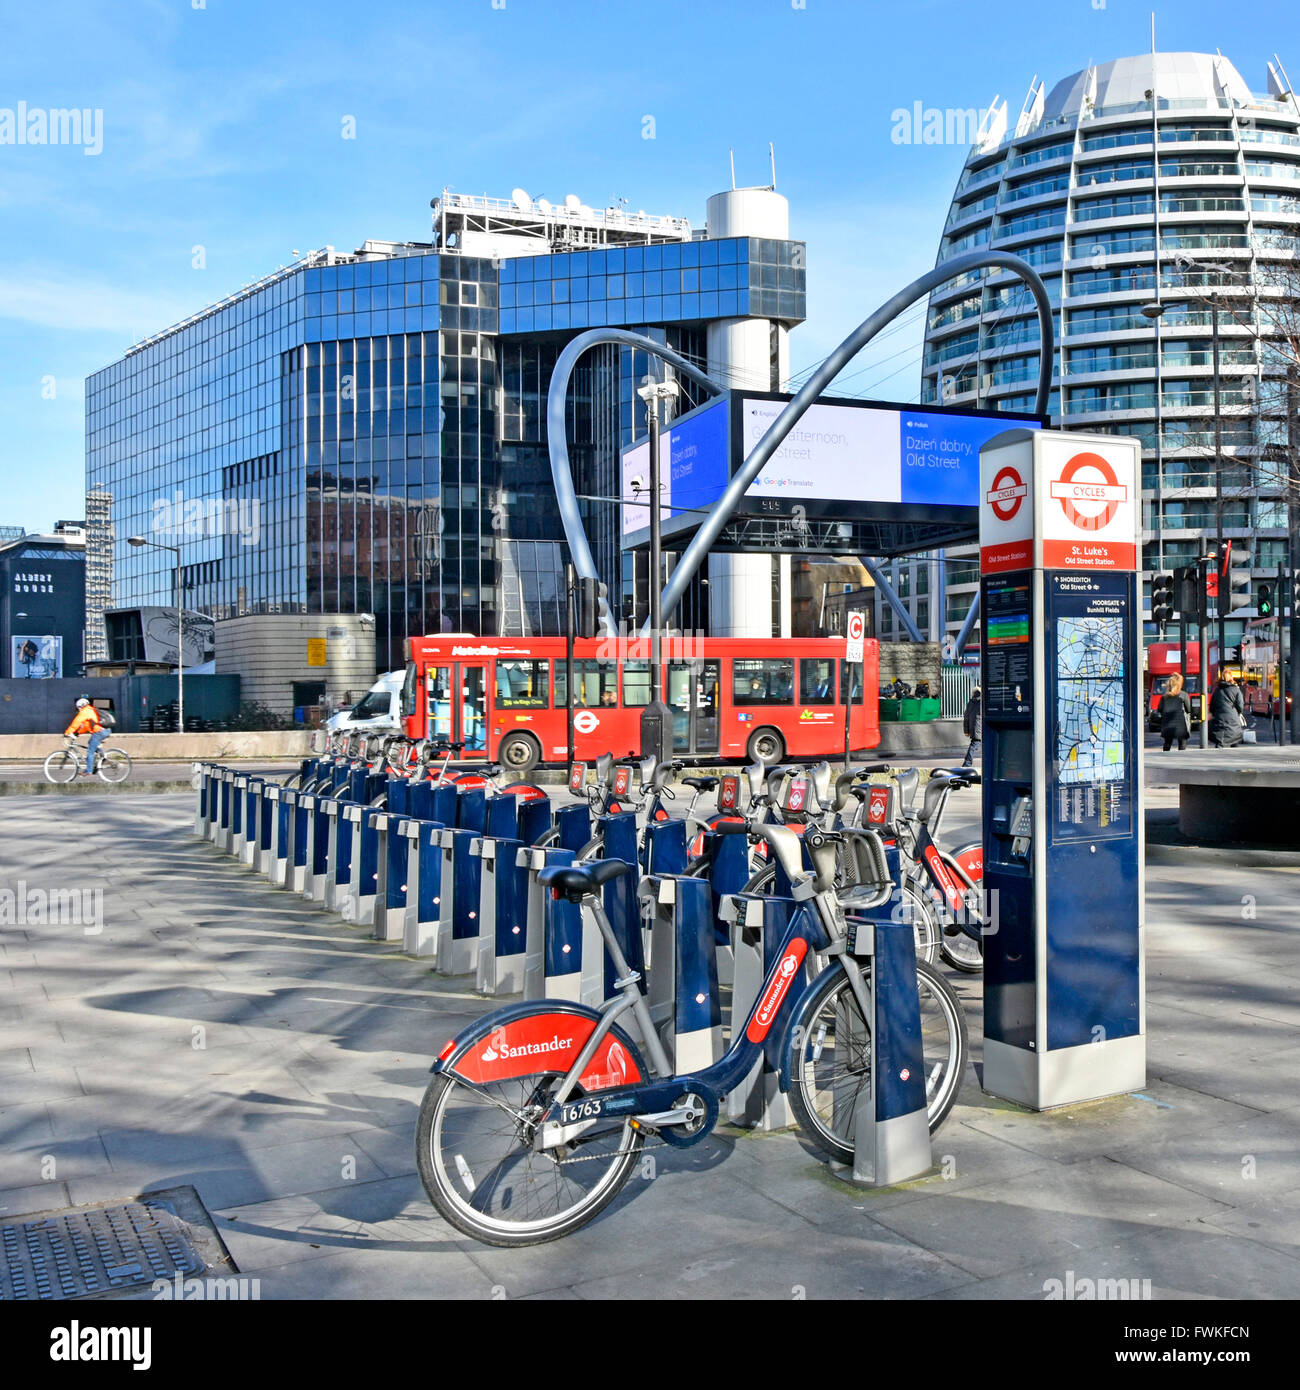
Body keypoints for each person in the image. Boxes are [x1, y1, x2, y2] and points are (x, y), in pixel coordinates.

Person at [65, 696, 105, 775]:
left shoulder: (85, 711)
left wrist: (67, 733)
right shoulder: (90, 710)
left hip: (99, 732)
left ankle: (89, 771)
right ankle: (101, 756)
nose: (78, 709)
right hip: (100, 731)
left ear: (81, 706)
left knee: (90, 751)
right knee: (91, 743)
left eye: (78, 707)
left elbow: (76, 722)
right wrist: (76, 734)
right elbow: (84, 726)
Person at [1208, 672, 1246, 749]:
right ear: (1231, 678)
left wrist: (1214, 713)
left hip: (1219, 719)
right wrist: (1237, 712)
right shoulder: (1236, 690)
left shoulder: (1217, 691)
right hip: (1233, 719)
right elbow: (1240, 705)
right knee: (1235, 739)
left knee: (1220, 740)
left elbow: (1212, 706)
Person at [1158, 672, 1192, 752]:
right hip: (1181, 724)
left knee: (1167, 743)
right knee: (1182, 744)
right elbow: (1189, 709)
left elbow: (1160, 709)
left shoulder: (1164, 697)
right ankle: (1181, 760)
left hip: (1167, 723)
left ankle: (1165, 758)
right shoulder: (1183, 695)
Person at [961, 686, 982, 767]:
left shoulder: (971, 702)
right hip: (981, 728)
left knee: (974, 745)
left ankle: (967, 763)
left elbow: (966, 716)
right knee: (974, 746)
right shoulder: (982, 701)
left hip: (973, 728)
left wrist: (966, 731)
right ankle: (967, 764)